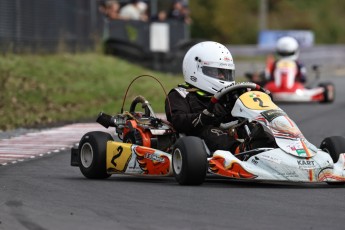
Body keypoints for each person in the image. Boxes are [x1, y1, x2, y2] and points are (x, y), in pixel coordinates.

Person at [165, 41, 240, 154]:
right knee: (209, 131)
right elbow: (177, 120)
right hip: (198, 142)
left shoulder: (229, 95)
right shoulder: (181, 94)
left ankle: (268, 147)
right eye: (216, 72)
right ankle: (239, 151)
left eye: (225, 73)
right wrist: (201, 117)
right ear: (195, 70)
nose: (222, 76)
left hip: (230, 131)